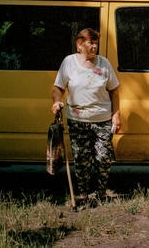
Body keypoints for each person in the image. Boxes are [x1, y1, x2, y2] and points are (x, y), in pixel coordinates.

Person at [51, 28, 120, 208]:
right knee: (82, 158)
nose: (95, 46)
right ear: (80, 44)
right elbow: (58, 88)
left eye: (96, 42)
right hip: (78, 119)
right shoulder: (69, 63)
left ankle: (101, 192)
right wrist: (57, 102)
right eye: (91, 42)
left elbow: (114, 91)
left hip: (102, 119)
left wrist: (116, 115)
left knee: (103, 157)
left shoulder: (104, 64)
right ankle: (82, 194)